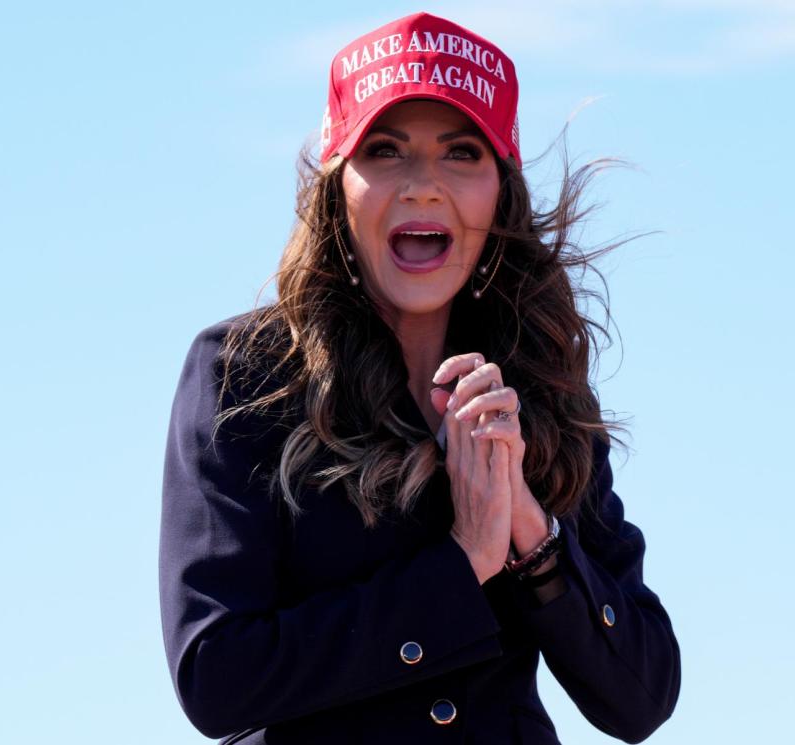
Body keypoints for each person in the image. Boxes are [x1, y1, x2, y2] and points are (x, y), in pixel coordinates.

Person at [158, 12, 681, 745]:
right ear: (339, 186)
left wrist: (531, 534)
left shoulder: (538, 388)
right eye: (387, 150)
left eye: (462, 153)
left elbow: (642, 695)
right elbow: (216, 675)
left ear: (500, 191)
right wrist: (463, 561)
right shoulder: (245, 375)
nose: (423, 187)